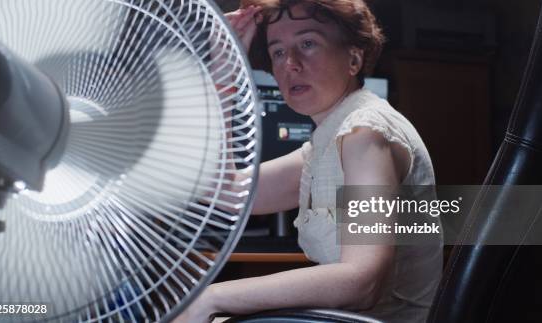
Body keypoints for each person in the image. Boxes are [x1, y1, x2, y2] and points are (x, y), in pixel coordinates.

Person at [174, 0, 442, 322]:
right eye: (278, 52)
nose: (291, 64)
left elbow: (362, 281)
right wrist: (224, 73)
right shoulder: (328, 142)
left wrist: (213, 296)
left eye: (308, 43)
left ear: (354, 58)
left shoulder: (365, 133)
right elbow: (226, 192)